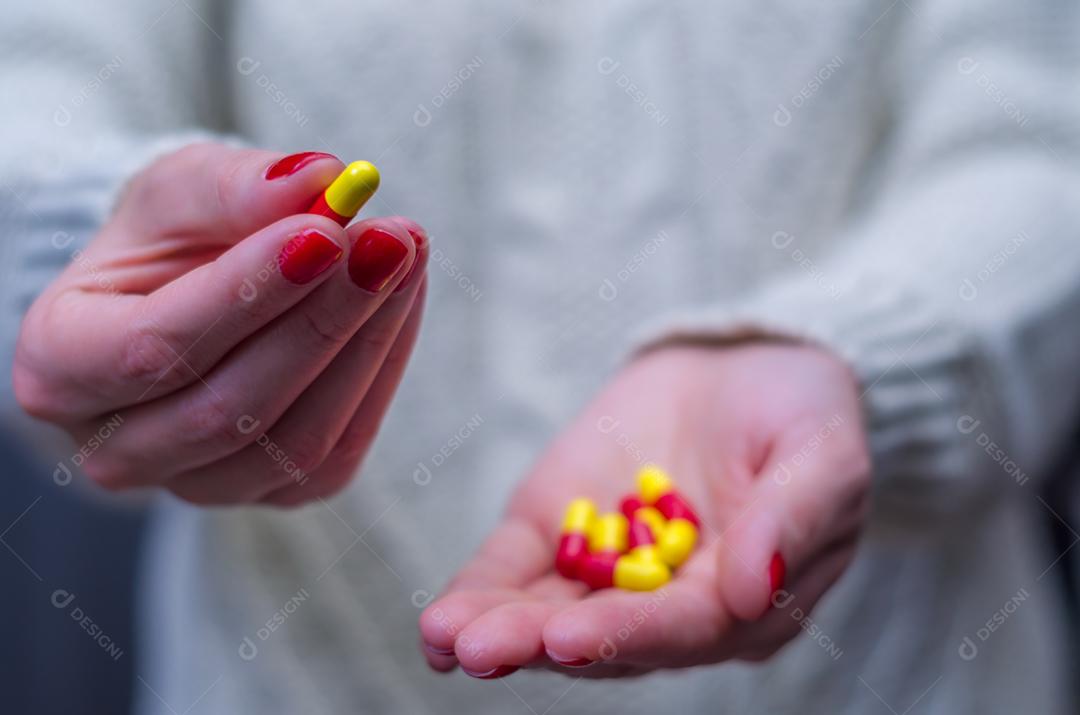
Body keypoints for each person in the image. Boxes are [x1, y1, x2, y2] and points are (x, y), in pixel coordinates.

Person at [2, 1, 1079, 713]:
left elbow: (1040, 138)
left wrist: (855, 355)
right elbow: (39, 76)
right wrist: (89, 252)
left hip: (901, 678)